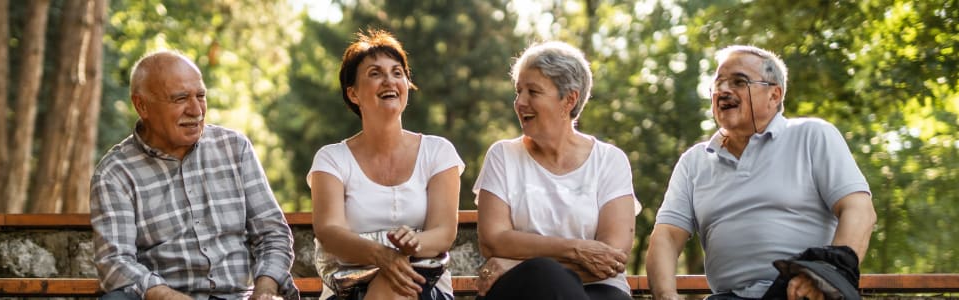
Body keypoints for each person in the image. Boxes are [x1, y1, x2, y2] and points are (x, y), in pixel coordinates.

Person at [646, 45, 878, 300]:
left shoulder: (812, 135)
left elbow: (859, 210)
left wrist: (823, 278)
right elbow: (666, 236)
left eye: (738, 82)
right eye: (718, 83)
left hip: (801, 292)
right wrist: (666, 295)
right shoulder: (694, 162)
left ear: (774, 95)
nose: (723, 91)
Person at [90, 51, 299, 300]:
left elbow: (272, 234)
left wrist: (265, 291)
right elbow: (115, 262)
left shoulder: (235, 147)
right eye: (180, 99)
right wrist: (167, 296)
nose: (196, 109)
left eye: (200, 96)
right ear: (141, 105)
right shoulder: (115, 173)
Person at [473, 41, 641, 300]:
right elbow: (493, 241)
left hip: (600, 291)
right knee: (543, 275)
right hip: (523, 292)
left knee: (547, 273)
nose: (520, 102)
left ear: (569, 99)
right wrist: (575, 250)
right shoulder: (503, 156)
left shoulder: (610, 160)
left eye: (533, 92)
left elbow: (611, 259)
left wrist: (516, 262)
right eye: (518, 91)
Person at [307, 29, 464, 300]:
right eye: (375, 73)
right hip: (348, 288)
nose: (389, 80)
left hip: (422, 283)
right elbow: (329, 232)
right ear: (353, 94)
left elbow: (444, 232)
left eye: (397, 73)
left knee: (396, 285)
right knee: (389, 285)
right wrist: (383, 256)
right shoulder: (331, 159)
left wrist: (414, 243)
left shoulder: (438, 152)